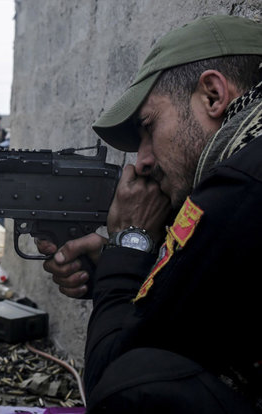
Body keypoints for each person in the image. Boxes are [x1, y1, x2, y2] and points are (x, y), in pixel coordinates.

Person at [36, 15, 262, 413]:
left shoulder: (237, 190)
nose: (141, 161)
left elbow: (114, 378)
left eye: (148, 126)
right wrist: (127, 274)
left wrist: (130, 241)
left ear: (212, 94)